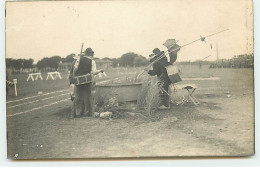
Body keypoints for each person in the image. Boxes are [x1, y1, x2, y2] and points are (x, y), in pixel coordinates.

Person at [69, 47, 103, 117]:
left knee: (78, 96)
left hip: (78, 80)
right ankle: (86, 113)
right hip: (87, 80)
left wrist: (75, 76)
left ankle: (78, 113)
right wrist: (99, 71)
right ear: (91, 54)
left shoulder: (79, 59)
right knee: (86, 97)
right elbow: (93, 72)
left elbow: (75, 68)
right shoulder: (92, 61)